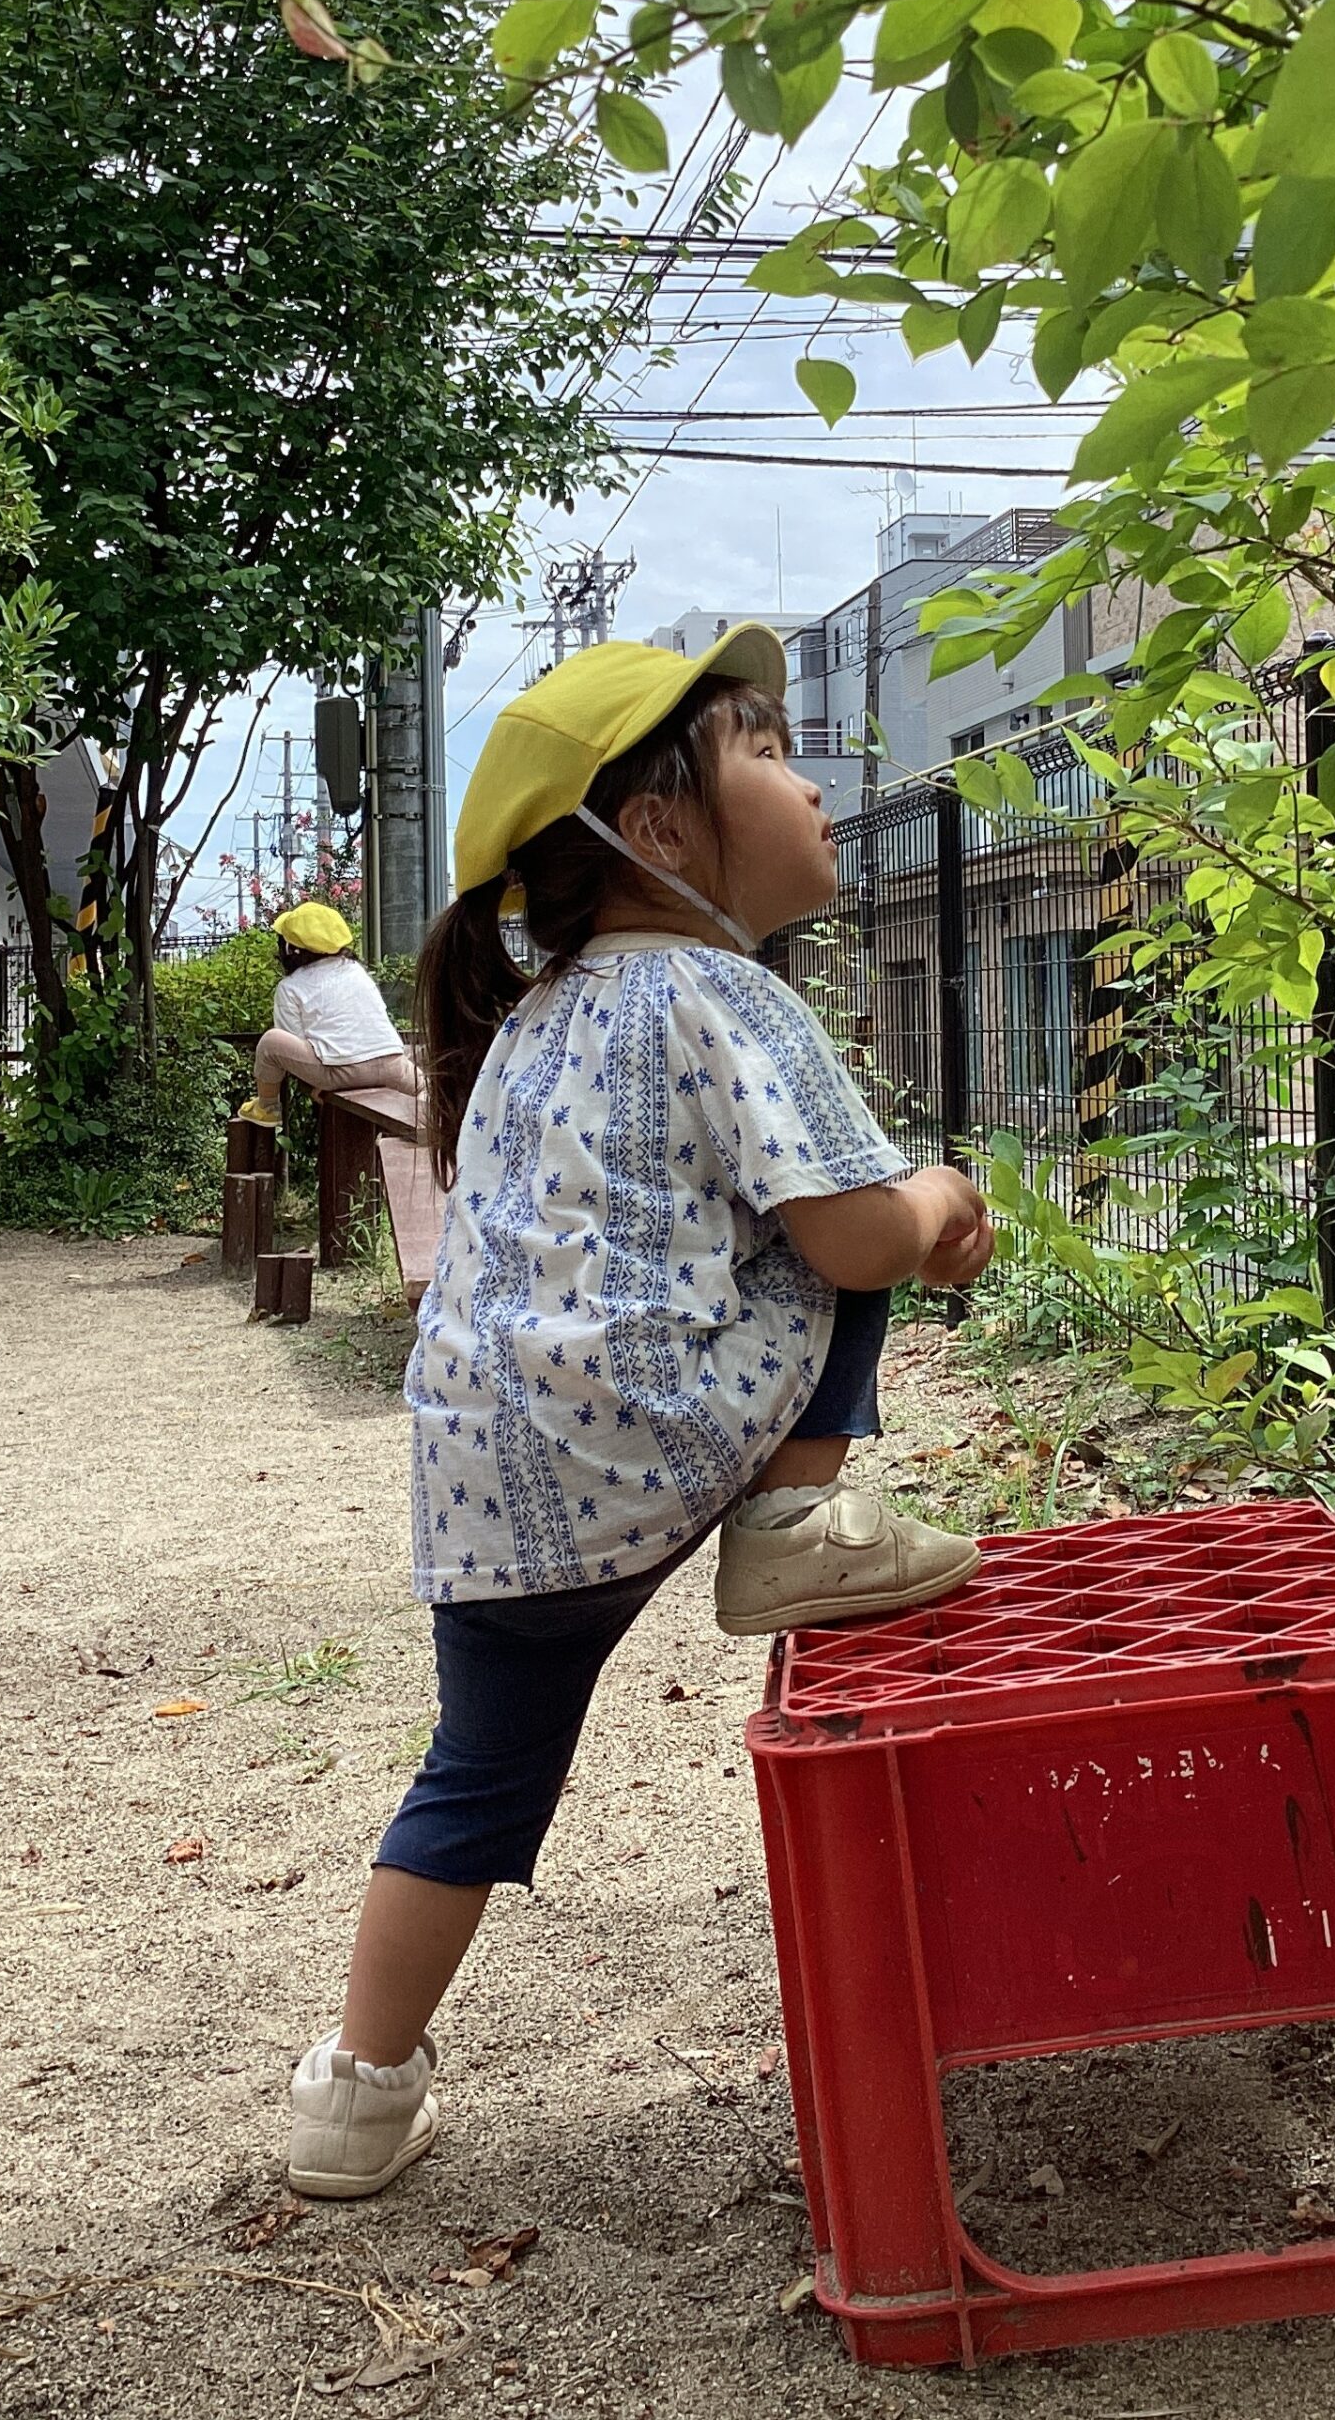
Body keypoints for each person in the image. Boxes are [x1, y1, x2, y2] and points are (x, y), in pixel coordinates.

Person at [286, 626, 995, 2199]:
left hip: (487, 1479)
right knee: (853, 1224)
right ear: (660, 830)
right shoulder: (723, 995)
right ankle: (795, 1526)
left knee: (474, 1778)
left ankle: (355, 2095)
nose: (813, 785)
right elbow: (858, 1241)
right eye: (770, 752)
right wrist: (942, 1193)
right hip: (659, 1440)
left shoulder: (535, 1018)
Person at [237, 901, 420, 1127]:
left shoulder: (290, 987)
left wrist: (318, 1080)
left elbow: (294, 1042)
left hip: (339, 1072)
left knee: (270, 1042)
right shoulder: (355, 971)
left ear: (289, 949)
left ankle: (267, 1107)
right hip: (392, 1062)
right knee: (425, 1086)